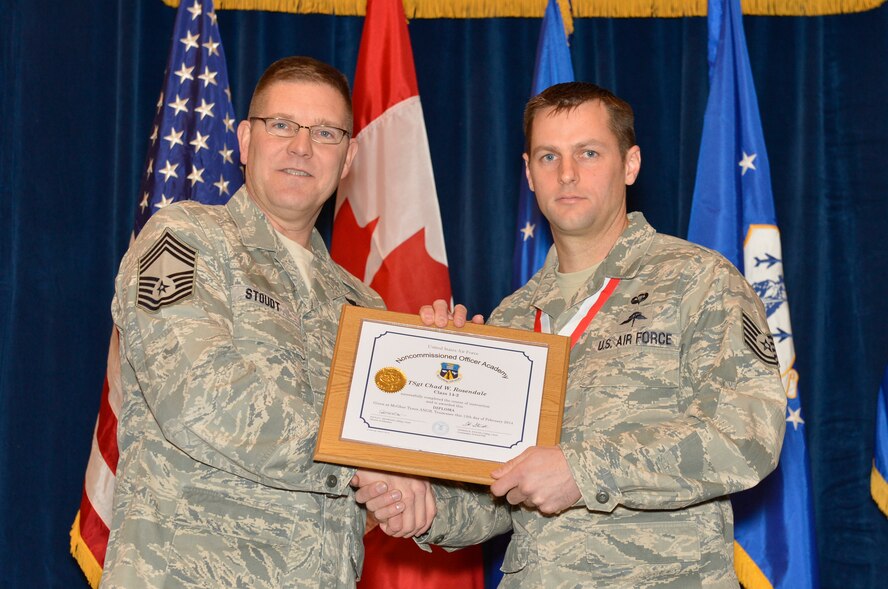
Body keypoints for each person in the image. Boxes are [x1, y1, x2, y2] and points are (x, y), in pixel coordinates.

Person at [360, 82, 787, 587]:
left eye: (588, 153)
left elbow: (747, 436)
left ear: (630, 164)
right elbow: (499, 495)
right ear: (528, 173)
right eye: (548, 156)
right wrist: (426, 506)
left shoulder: (698, 280)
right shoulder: (513, 317)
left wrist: (582, 470)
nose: (566, 174)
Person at [101, 56, 435, 589]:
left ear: (347, 157)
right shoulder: (184, 239)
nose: (301, 147)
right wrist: (358, 464)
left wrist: (447, 377)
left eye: (324, 133)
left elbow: (409, 465)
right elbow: (198, 394)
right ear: (243, 139)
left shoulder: (365, 309)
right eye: (281, 125)